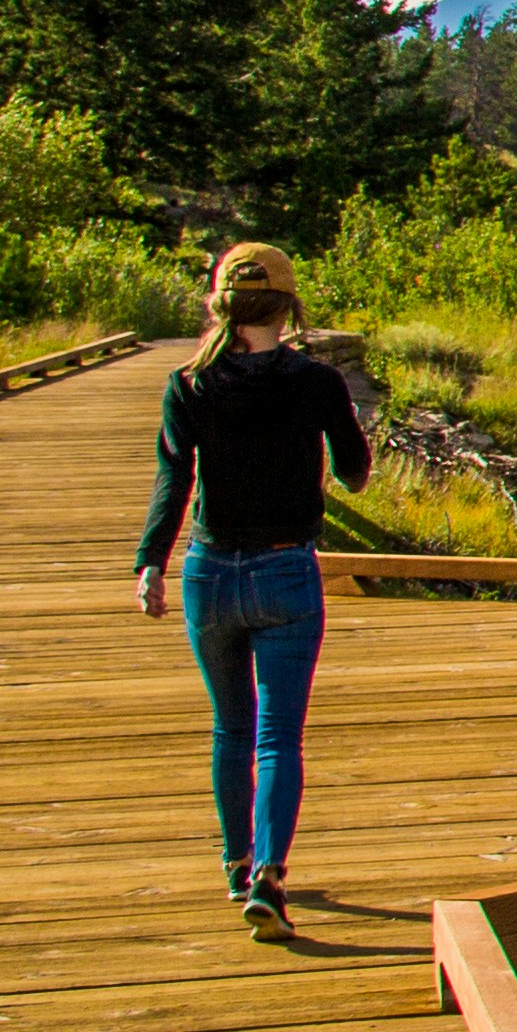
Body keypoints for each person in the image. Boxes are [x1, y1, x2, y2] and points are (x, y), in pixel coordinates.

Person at [135, 240, 370, 941]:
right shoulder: (316, 381)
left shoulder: (188, 384)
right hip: (285, 571)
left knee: (231, 728)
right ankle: (269, 874)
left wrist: (151, 562)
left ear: (221, 303)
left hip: (209, 573)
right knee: (277, 736)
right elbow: (355, 472)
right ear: (289, 305)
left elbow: (173, 481)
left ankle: (236, 863)